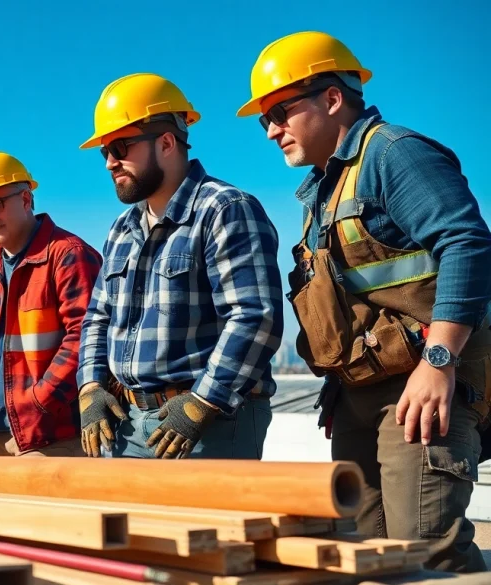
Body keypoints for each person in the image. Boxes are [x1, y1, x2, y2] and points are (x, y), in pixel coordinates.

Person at [237, 31, 491, 572]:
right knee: (365, 556)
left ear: (332, 98)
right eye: (264, 121)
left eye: (280, 112)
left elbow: (467, 244)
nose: (272, 130)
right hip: (361, 397)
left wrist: (439, 362)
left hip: (420, 391)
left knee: (424, 554)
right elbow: (351, 304)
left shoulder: (393, 154)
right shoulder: (321, 191)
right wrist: (339, 382)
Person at [76, 73, 284, 460]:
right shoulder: (122, 229)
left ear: (167, 142)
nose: (109, 163)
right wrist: (90, 387)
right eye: (103, 151)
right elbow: (96, 318)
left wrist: (203, 403)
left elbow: (255, 316)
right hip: (127, 424)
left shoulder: (225, 209)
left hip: (211, 426)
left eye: (120, 147)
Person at [0, 151, 102, 456]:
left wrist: (38, 401)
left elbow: (85, 338)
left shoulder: (67, 255)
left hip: (53, 438)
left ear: (25, 199)